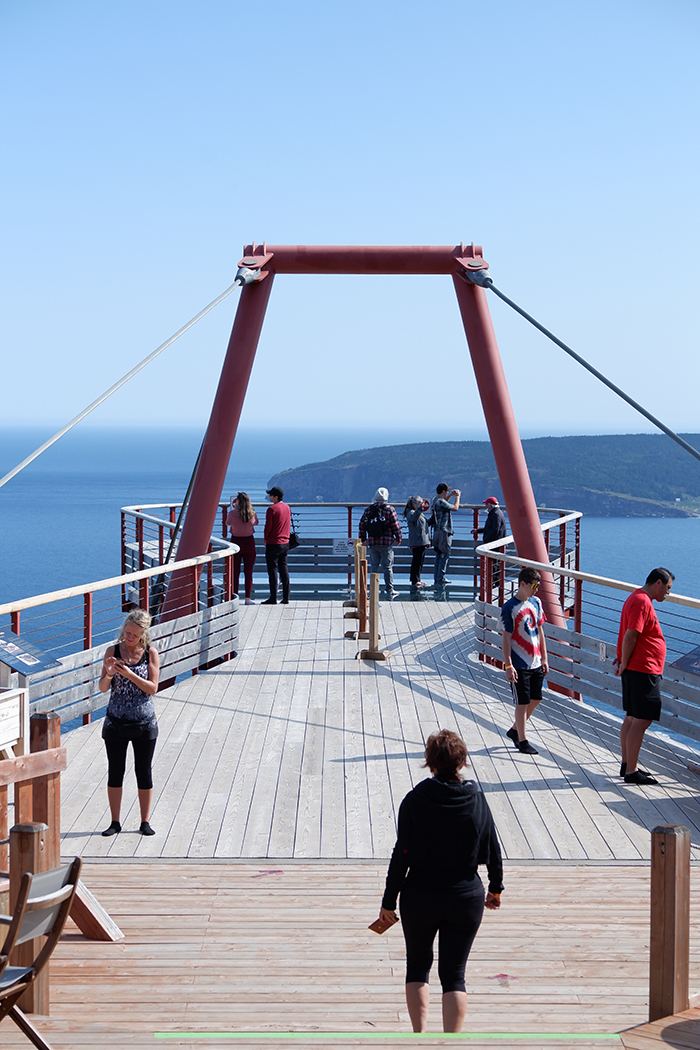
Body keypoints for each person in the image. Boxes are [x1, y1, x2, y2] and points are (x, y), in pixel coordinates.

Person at [377, 730, 503, 1034]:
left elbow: (401, 854)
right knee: (455, 975)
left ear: (429, 762)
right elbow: (492, 844)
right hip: (465, 895)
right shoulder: (476, 798)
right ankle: (451, 1042)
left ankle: (419, 1037)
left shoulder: (415, 799)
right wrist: (495, 888)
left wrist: (388, 901)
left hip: (420, 894)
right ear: (462, 762)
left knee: (417, 966)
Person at [98, 608, 160, 836]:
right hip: (115, 722)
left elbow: (152, 688)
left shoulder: (150, 653)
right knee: (115, 771)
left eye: (134, 634)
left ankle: (145, 821)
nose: (129, 637)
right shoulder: (112, 651)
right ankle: (115, 822)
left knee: (143, 771)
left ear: (143, 634)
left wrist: (129, 674)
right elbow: (103, 688)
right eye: (127, 632)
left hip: (144, 723)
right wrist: (110, 673)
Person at [614, 567, 674, 785]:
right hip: (642, 669)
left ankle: (627, 764)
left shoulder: (635, 597)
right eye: (667, 588)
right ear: (657, 582)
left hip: (636, 668)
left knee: (631, 717)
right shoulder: (642, 601)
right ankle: (631, 771)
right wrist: (626, 662)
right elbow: (630, 636)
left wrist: (621, 659)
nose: (668, 593)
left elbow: (625, 634)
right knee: (642, 720)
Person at [501, 566, 548, 756]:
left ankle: (514, 730)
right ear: (522, 584)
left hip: (536, 660)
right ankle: (522, 739)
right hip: (519, 664)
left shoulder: (536, 602)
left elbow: (540, 630)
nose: (536, 589)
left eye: (538, 585)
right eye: (533, 585)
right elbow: (506, 638)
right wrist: (508, 665)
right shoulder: (509, 607)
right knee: (522, 702)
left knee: (536, 699)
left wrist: (545, 657)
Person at [358, 488, 403, 600]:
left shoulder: (369, 509)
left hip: (373, 542)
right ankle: (390, 589)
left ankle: (373, 589)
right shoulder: (389, 509)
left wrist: (363, 539)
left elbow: (362, 525)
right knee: (387, 567)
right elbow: (395, 525)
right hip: (386, 543)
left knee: (374, 566)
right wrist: (398, 538)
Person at [227, 491, 259, 605]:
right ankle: (247, 598)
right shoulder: (252, 513)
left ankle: (234, 596)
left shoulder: (232, 513)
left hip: (236, 542)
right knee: (248, 572)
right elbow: (256, 523)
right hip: (249, 542)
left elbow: (227, 523)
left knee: (235, 572)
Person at [262, 485, 291, 605]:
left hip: (273, 543)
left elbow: (268, 527)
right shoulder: (287, 507)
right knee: (284, 570)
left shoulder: (272, 509)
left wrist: (265, 539)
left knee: (272, 570)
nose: (269, 496)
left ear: (276, 496)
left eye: (271, 495)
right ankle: (286, 597)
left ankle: (273, 597)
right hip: (285, 543)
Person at [431, 484, 460, 589]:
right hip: (445, 531)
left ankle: (437, 577)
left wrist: (451, 496)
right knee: (445, 554)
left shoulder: (435, 500)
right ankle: (441, 577)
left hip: (437, 531)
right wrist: (457, 497)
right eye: (447, 492)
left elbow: (444, 503)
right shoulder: (441, 501)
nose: (448, 493)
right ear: (443, 491)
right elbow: (455, 508)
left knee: (439, 555)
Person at [403, 496, 430, 589]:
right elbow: (413, 518)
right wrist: (420, 509)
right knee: (416, 560)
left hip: (422, 540)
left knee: (420, 560)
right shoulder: (410, 513)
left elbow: (425, 523)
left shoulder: (419, 513)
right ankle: (415, 580)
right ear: (414, 504)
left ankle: (418, 578)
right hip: (417, 540)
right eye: (419, 504)